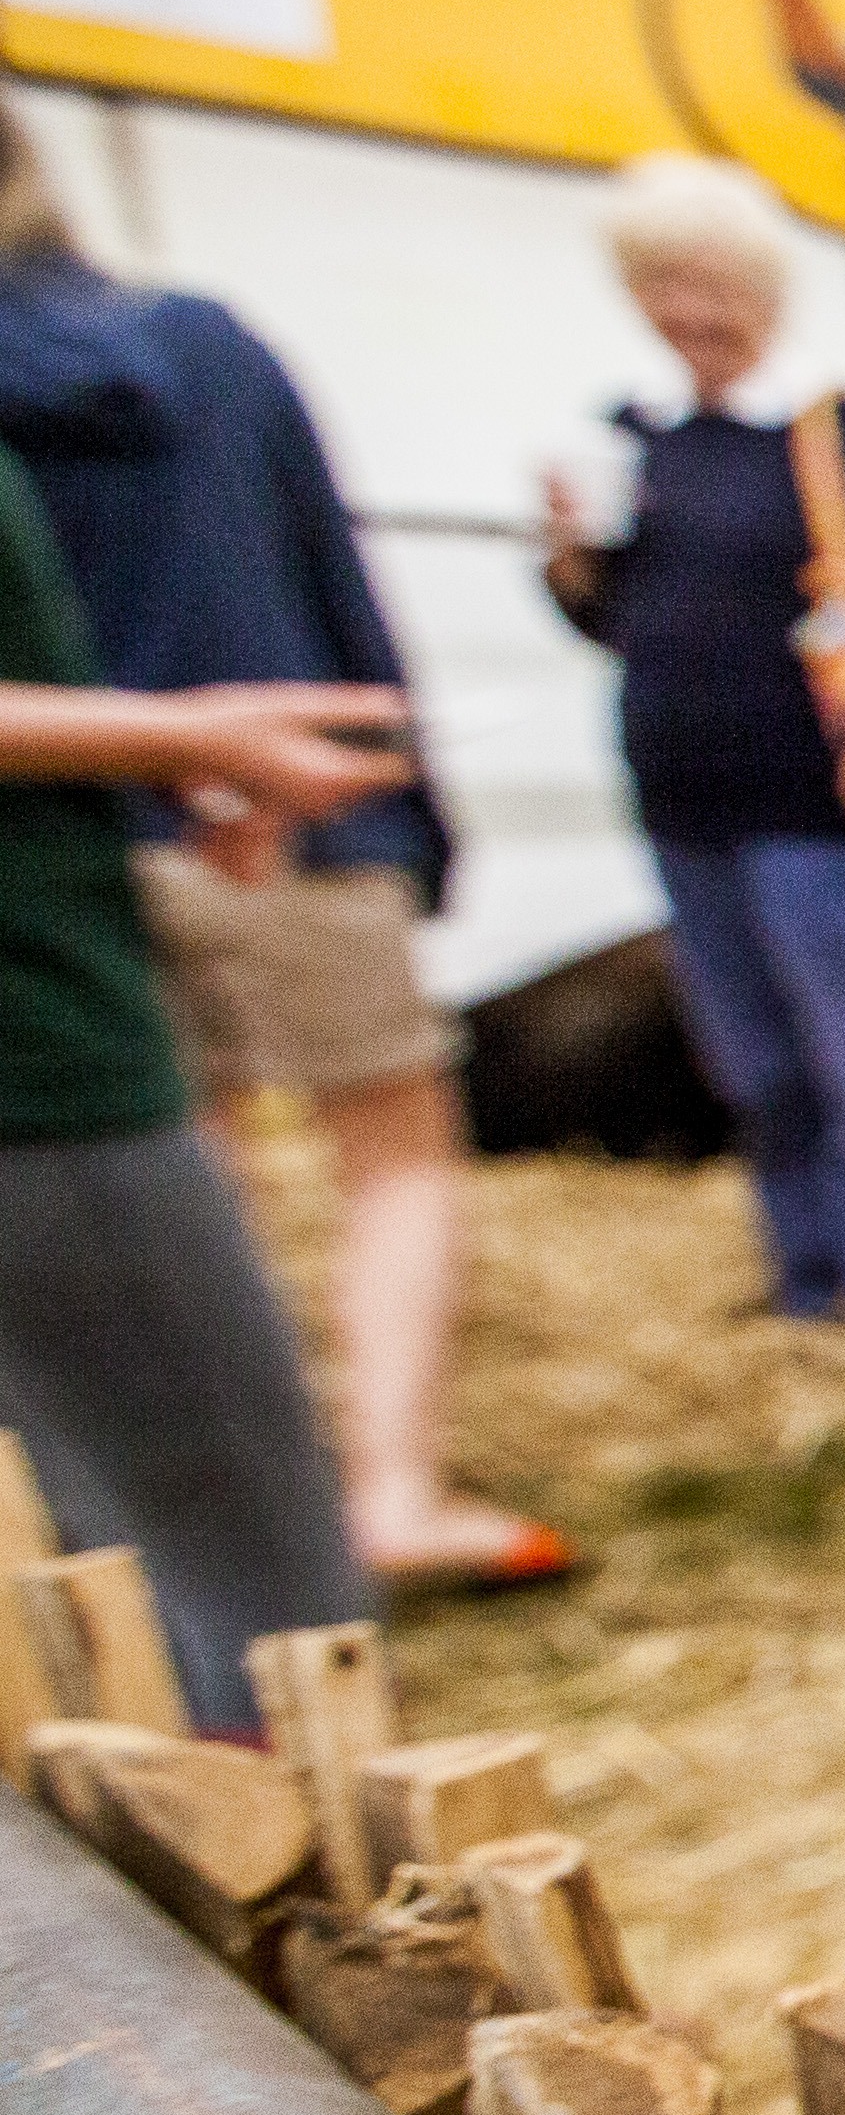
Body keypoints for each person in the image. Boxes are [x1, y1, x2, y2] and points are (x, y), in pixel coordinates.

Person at [0, 105, 564, 1592]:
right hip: (288, 804)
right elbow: (326, 566)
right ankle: (388, 1487)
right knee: (391, 1153)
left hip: (91, 851)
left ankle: (251, 1495)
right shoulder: (209, 349)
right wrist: (400, 804)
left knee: (197, 1162)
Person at [542, 155, 845, 1385]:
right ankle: (810, 1287)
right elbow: (624, 621)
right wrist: (573, 569)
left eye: (713, 281)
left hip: (817, 805)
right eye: (665, 283)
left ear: (764, 285)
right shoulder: (635, 436)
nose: (692, 308)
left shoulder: (833, 429)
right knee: (757, 1064)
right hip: (689, 800)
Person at [0, 433, 409, 1724]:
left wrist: (145, 755)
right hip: (35, 1045)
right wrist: (170, 731)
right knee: (239, 1594)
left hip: (56, 988)